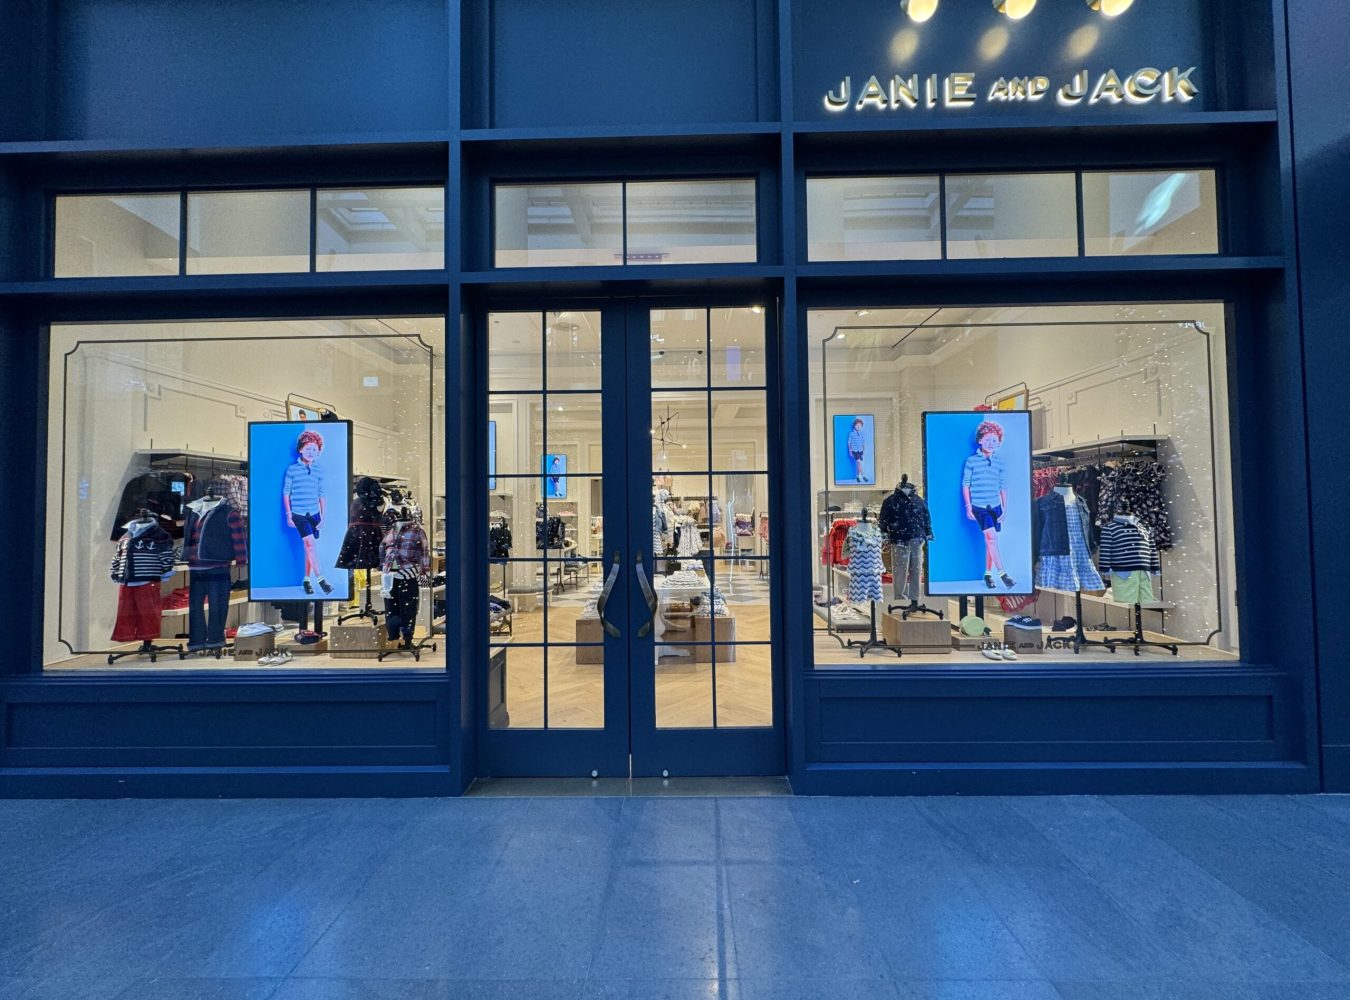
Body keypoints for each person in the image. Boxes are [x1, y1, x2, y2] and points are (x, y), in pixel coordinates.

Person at [961, 419, 1016, 590]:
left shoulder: (1000, 462)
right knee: (992, 538)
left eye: (995, 440)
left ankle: (987, 574)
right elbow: (966, 484)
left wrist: (1005, 509)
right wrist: (968, 506)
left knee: (989, 541)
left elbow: (1003, 486)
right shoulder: (971, 461)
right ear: (980, 440)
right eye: (988, 439)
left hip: (996, 506)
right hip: (979, 506)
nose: (991, 443)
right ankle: (1003, 574)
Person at [283, 428, 332, 595]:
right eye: (308, 448)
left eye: (315, 450)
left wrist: (323, 516)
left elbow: (322, 494)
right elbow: (286, 492)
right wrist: (289, 514)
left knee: (309, 548)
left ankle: (306, 580)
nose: (311, 452)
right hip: (299, 513)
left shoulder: (319, 470)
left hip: (314, 513)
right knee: (310, 545)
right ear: (300, 449)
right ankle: (321, 579)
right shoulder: (292, 469)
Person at [847, 417, 868, 484]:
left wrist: (864, 450)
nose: (858, 427)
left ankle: (858, 477)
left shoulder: (862, 433)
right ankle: (863, 476)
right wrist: (850, 451)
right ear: (854, 425)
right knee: (859, 463)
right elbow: (849, 443)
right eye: (857, 425)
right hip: (854, 451)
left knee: (858, 464)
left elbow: (863, 443)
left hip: (860, 451)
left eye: (860, 425)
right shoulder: (851, 433)